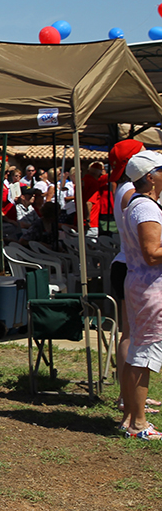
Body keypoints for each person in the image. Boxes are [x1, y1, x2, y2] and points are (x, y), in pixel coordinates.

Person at [106, 140, 153, 429]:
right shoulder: (132, 193)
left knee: (133, 336)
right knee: (131, 337)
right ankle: (128, 400)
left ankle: (132, 400)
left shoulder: (125, 189)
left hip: (127, 264)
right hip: (129, 265)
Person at [117, 150, 162, 440]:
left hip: (141, 284)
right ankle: (137, 423)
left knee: (138, 352)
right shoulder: (145, 207)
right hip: (149, 288)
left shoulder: (140, 204)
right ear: (150, 176)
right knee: (143, 354)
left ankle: (133, 418)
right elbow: (152, 253)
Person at [80, 161, 107, 239]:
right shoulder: (93, 183)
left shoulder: (82, 180)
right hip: (91, 221)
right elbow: (89, 202)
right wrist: (88, 220)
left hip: (80, 218)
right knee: (91, 244)